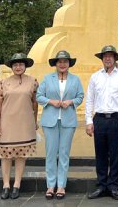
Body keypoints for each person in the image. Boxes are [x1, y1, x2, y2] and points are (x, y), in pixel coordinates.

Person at [85, 45, 118, 200]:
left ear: (115, 58)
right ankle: (102, 185)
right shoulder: (95, 77)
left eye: (110, 56)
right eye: (105, 56)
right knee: (101, 154)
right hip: (99, 119)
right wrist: (88, 121)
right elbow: (89, 100)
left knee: (116, 154)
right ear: (102, 59)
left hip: (116, 118)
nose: (108, 58)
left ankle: (114, 186)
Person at [36, 50, 84, 200]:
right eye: (60, 61)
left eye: (65, 61)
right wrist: (51, 101)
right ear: (55, 64)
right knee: (51, 153)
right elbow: (39, 96)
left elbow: (80, 96)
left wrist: (71, 102)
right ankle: (51, 185)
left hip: (68, 120)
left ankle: (61, 185)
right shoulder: (47, 79)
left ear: (69, 64)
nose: (62, 64)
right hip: (50, 120)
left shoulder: (75, 80)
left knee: (64, 153)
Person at [0, 52, 38, 200]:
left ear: (25, 66)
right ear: (12, 67)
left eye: (21, 64)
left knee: (21, 155)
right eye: (15, 64)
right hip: (6, 122)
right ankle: (6, 184)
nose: (18, 67)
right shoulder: (3, 83)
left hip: (25, 122)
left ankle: (17, 185)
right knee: (5, 155)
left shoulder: (33, 81)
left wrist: (35, 120)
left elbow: (35, 102)